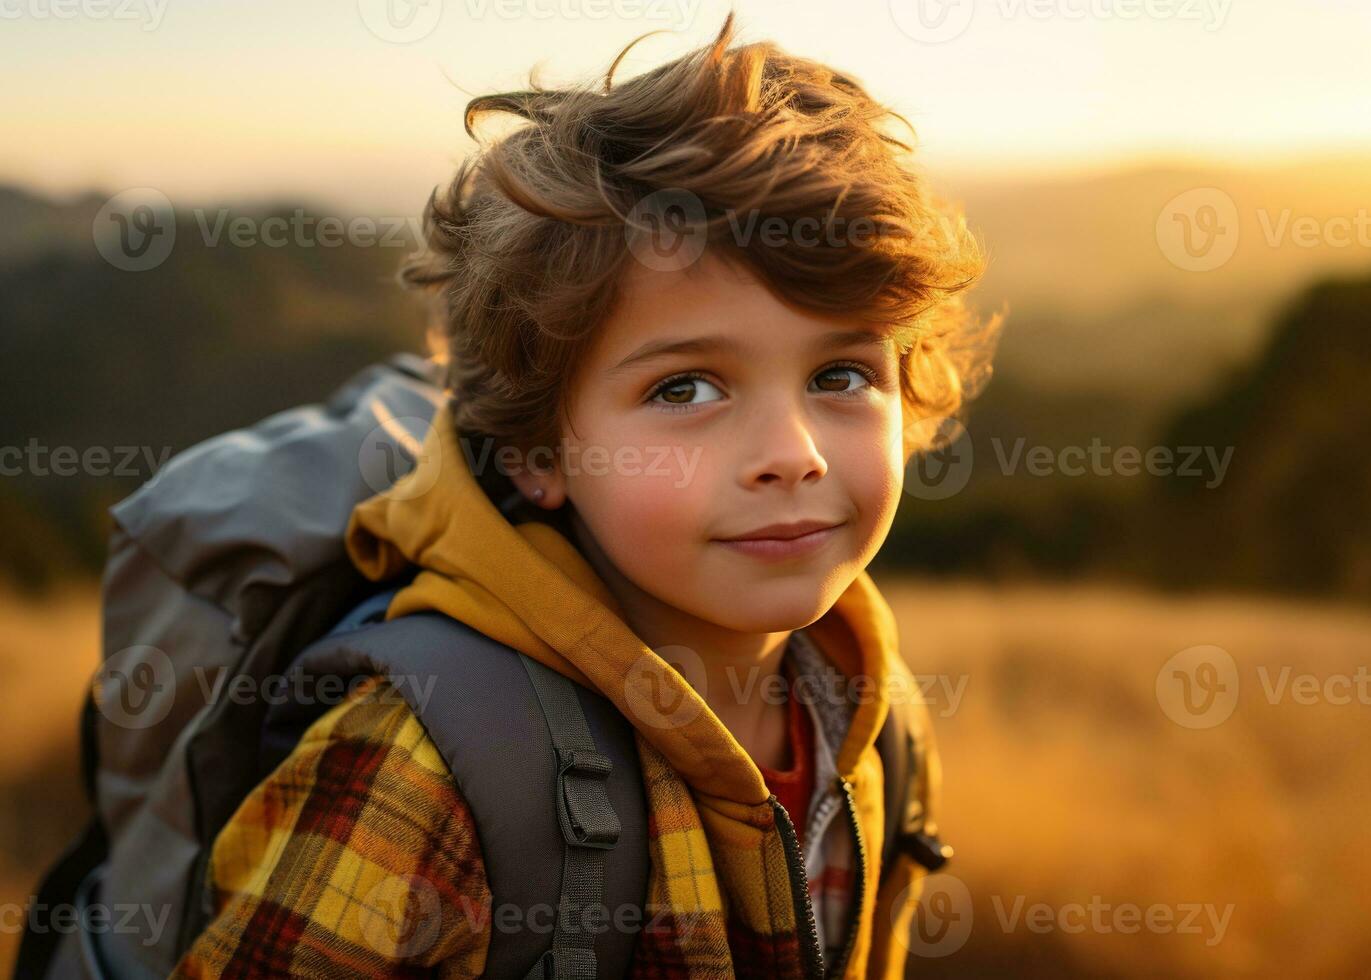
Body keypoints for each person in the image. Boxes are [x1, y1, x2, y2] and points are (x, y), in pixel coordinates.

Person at [171, 11, 995, 978]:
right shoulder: (424, 771)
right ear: (536, 449)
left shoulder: (869, 704)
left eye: (843, 376)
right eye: (684, 388)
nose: (793, 454)